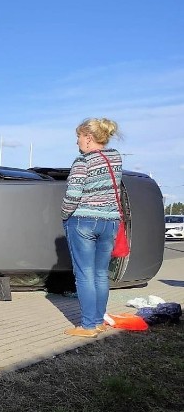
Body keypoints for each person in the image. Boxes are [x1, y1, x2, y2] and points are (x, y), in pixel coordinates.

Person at [61, 117, 123, 338]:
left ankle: (87, 326)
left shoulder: (82, 162)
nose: (76, 142)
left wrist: (65, 214)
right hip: (110, 222)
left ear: (88, 138)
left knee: (84, 275)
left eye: (78, 137)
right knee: (100, 274)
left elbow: (73, 195)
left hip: (83, 221)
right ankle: (98, 321)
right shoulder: (115, 158)